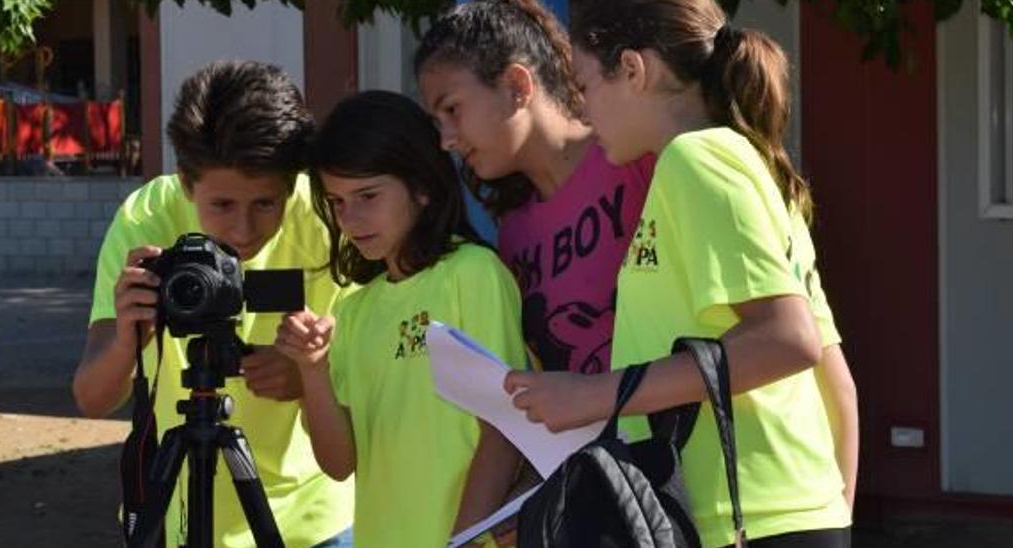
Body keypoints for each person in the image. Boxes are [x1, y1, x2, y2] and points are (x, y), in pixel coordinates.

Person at [504, 0, 859, 546]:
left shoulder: (694, 160)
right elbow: (836, 382)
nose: (582, 109)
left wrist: (591, 394)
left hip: (746, 520)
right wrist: (832, 514)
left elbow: (790, 338)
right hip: (781, 516)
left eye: (584, 84)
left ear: (633, 70)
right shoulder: (748, 164)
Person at [71, 60, 353, 548]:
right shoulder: (148, 219)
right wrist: (125, 343)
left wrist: (309, 379)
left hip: (313, 520)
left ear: (292, 184)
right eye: (221, 206)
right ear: (184, 181)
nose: (243, 231)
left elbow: (375, 383)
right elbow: (93, 398)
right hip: (175, 514)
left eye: (265, 204)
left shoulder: (332, 220)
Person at [274, 90, 526, 546]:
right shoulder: (352, 310)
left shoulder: (473, 273)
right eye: (337, 202)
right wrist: (312, 372)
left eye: (367, 195)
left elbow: (506, 426)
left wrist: (463, 539)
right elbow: (338, 464)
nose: (350, 218)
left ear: (423, 186)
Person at [415, 0, 655, 376]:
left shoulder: (638, 159)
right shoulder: (514, 233)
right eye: (436, 121)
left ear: (516, 85)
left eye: (453, 110)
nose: (446, 139)